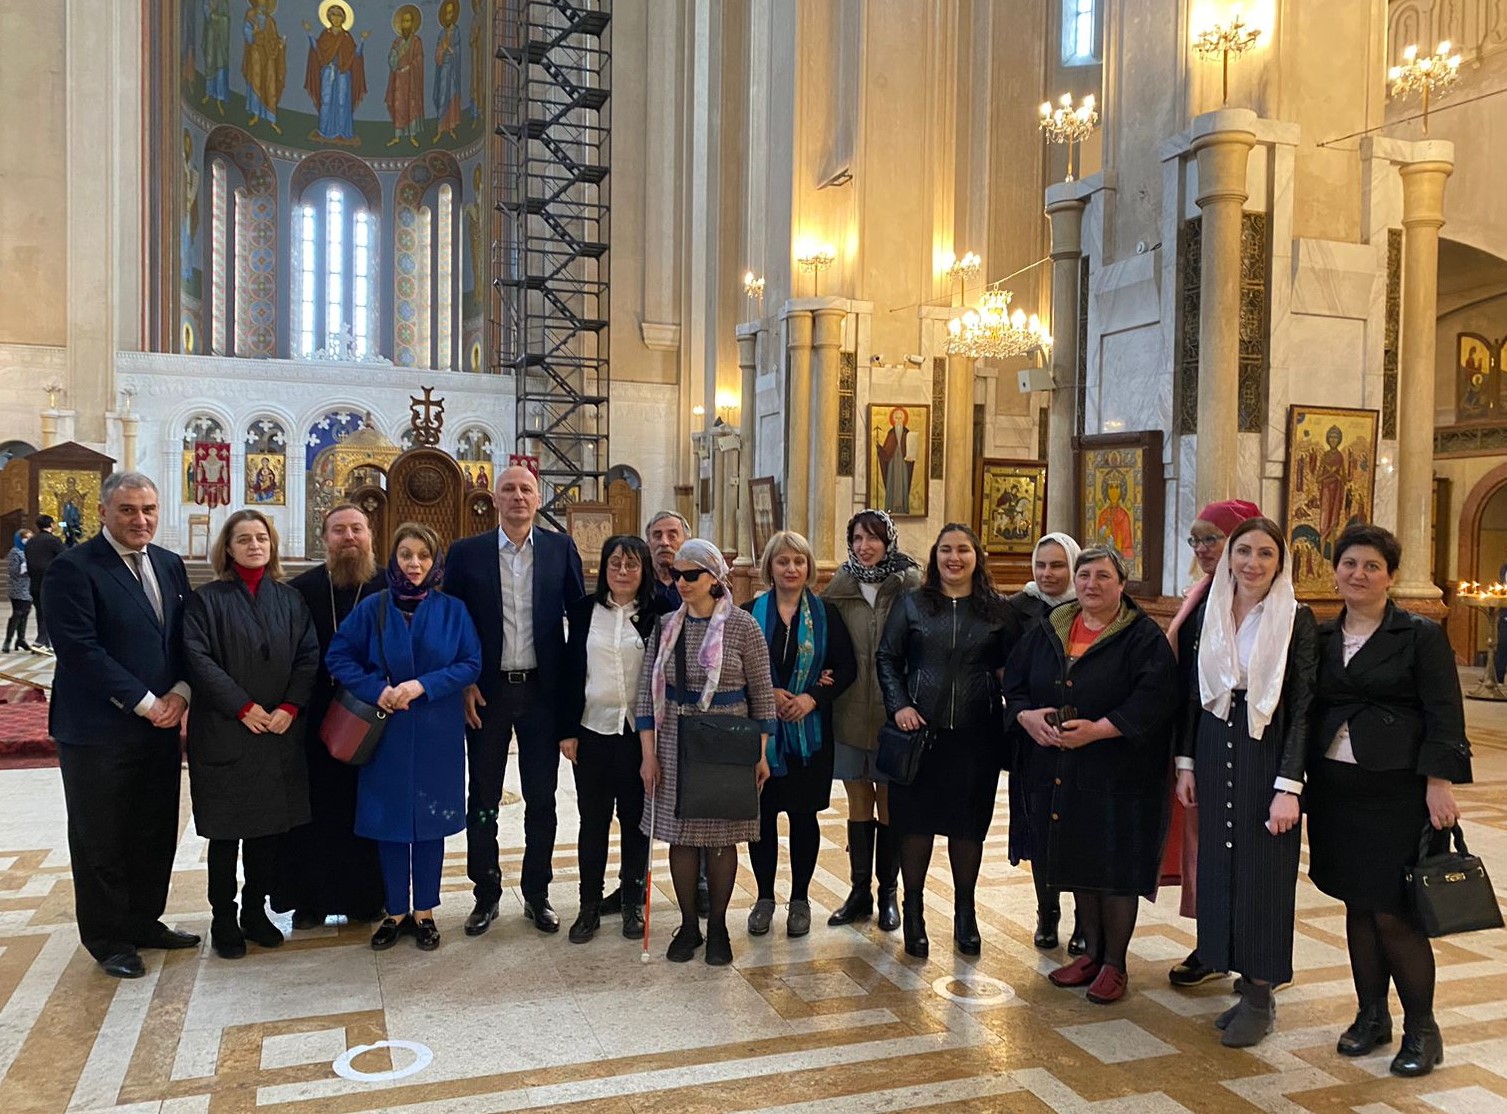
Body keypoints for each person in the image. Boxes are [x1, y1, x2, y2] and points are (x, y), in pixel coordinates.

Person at [1307, 524, 1472, 1078]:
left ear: (1391, 576)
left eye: (1372, 566)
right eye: (1349, 564)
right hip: (1335, 789)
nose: (1359, 574)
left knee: (1394, 911)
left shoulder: (1418, 635)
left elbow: (1444, 711)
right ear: (1335, 571)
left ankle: (1423, 1030)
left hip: (1397, 790)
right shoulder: (1322, 636)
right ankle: (1371, 1016)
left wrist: (1439, 783)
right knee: (1357, 904)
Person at [1004, 546, 1178, 1004]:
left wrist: (1100, 730)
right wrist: (1025, 717)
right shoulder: (1051, 627)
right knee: (1077, 858)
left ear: (1122, 584)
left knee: (1115, 867)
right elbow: (1014, 682)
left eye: (1103, 576)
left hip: (1119, 773)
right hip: (1057, 769)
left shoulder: (1142, 637)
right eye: (1084, 576)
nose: (1091, 584)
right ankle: (1091, 955)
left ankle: (1115, 963)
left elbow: (1156, 699)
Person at [44, 473, 198, 978]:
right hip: (97, 730)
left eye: (148, 509)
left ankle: (143, 921)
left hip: (159, 725)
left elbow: (183, 638)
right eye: (128, 510)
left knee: (153, 829)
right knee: (101, 836)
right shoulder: (74, 568)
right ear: (103, 513)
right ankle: (109, 939)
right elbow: (79, 650)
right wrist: (146, 702)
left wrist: (181, 691)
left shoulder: (169, 564)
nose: (141, 519)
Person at [1174, 517, 1317, 1047]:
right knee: (1220, 865)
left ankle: (1260, 996)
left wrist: (1289, 786)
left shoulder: (1297, 618)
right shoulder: (1208, 610)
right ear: (1230, 558)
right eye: (1243, 552)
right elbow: (1193, 692)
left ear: (1280, 563)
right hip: (1214, 739)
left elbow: (1303, 705)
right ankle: (1234, 974)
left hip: (1267, 743)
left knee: (1264, 871)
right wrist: (1186, 763)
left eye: (1265, 553)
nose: (1252, 563)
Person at [328, 523, 482, 951]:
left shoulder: (452, 610)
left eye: (423, 556)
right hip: (386, 732)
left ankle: (425, 911)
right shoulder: (373, 608)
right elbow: (338, 655)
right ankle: (395, 911)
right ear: (393, 559)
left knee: (430, 824)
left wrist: (422, 685)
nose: (415, 564)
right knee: (390, 822)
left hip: (437, 731)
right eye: (406, 555)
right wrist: (376, 688)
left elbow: (471, 662)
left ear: (436, 562)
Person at [445, 465, 585, 936]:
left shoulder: (560, 549)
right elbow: (451, 622)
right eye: (509, 489)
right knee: (484, 797)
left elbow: (579, 620)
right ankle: (485, 893)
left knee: (541, 798)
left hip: (542, 692)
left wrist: (574, 695)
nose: (518, 496)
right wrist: (463, 682)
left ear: (538, 497)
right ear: (495, 498)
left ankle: (537, 892)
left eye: (526, 489)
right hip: (486, 691)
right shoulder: (467, 553)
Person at [876, 523, 1021, 959]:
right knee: (915, 827)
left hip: (977, 736)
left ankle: (965, 914)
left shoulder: (997, 610)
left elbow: (1013, 669)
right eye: (945, 550)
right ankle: (914, 913)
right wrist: (899, 705)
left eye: (963, 550)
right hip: (920, 733)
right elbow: (887, 657)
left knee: (968, 828)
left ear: (977, 557)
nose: (954, 558)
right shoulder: (912, 604)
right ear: (935, 557)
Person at [183, 510, 320, 959]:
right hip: (226, 731)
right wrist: (242, 707)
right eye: (244, 539)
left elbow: (308, 656)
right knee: (225, 834)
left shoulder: (290, 599)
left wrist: (290, 706)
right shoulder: (206, 601)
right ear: (228, 547)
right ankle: (223, 917)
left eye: (261, 538)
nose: (254, 545)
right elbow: (198, 659)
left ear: (272, 544)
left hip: (278, 732)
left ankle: (255, 912)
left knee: (268, 832)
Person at [636, 540, 775, 966]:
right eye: (675, 574)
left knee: (720, 837)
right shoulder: (666, 626)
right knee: (681, 836)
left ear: (714, 577)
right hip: (675, 739)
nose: (681, 582)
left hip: (727, 743)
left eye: (690, 575)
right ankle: (688, 925)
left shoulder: (743, 626)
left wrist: (760, 753)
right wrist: (647, 755)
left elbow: (762, 696)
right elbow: (645, 696)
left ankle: (717, 926)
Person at [274, 504, 387, 928]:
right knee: (315, 810)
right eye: (339, 530)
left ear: (371, 535)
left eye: (357, 529)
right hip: (315, 716)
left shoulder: (389, 586)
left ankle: (366, 897)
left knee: (367, 807)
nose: (349, 537)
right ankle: (311, 901)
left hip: (376, 715)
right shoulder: (300, 590)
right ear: (325, 539)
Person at [1164, 498, 1262, 989]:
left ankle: (1255, 955)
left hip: (1250, 741)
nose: (1202, 549)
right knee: (1207, 849)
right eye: (1196, 540)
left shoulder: (1268, 605)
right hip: (1202, 736)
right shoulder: (1202, 594)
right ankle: (1213, 944)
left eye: (1212, 539)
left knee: (1248, 850)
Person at [743, 532, 856, 937]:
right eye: (783, 561)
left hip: (810, 736)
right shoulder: (748, 613)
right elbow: (734, 668)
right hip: (762, 738)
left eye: (799, 561)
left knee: (804, 817)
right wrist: (767, 694)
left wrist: (812, 698)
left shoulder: (827, 615)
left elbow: (846, 668)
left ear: (808, 568)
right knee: (762, 818)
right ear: (769, 567)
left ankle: (800, 900)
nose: (791, 568)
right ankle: (764, 899)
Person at [559, 535, 666, 943]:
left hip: (640, 735)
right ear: (604, 569)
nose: (622, 571)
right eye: (615, 563)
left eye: (632, 564)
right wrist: (567, 730)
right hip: (592, 731)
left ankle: (631, 903)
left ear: (644, 571)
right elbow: (570, 672)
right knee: (594, 821)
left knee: (636, 823)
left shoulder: (658, 613)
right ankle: (588, 905)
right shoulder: (583, 610)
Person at [821, 509, 920, 932]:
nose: (865, 546)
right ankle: (859, 892)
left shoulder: (910, 585)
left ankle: (888, 894)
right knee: (858, 799)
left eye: (873, 538)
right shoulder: (839, 588)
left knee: (890, 802)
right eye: (858, 538)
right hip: (849, 709)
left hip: (894, 712)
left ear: (889, 541)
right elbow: (824, 642)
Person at [1006, 531, 1085, 954]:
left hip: (1084, 737)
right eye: (1041, 565)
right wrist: (1025, 714)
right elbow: (1004, 667)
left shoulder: (1090, 606)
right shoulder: (1019, 608)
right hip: (1033, 736)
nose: (1048, 573)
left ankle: (1085, 919)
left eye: (1057, 565)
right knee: (1040, 826)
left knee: (1079, 828)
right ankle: (1047, 913)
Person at [384, 5, 424, 148]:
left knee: (411, 106)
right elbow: (391, 59)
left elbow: (419, 58)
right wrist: (395, 57)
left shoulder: (416, 41)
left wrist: (410, 67)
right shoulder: (397, 42)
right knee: (398, 105)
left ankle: (412, 135)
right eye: (403, 21)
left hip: (411, 79)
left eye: (408, 21)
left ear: (412, 24)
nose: (406, 24)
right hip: (399, 80)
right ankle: (397, 136)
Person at [25, 515, 63, 654]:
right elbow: (64, 558)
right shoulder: (53, 541)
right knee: (51, 612)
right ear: (51, 525)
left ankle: (45, 644)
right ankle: (40, 641)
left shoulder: (31, 541)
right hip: (50, 582)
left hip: (34, 582)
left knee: (41, 612)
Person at [646, 510, 689, 610]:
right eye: (657, 536)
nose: (664, 543)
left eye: (672, 536)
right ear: (648, 543)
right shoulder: (639, 581)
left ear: (686, 542)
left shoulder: (696, 581)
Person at [4, 529, 33, 653]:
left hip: (28, 586)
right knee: (17, 613)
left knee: (25, 613)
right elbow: (13, 570)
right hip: (17, 587)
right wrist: (23, 568)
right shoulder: (15, 552)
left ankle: (21, 639)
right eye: (26, 538)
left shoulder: (30, 551)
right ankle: (8, 640)